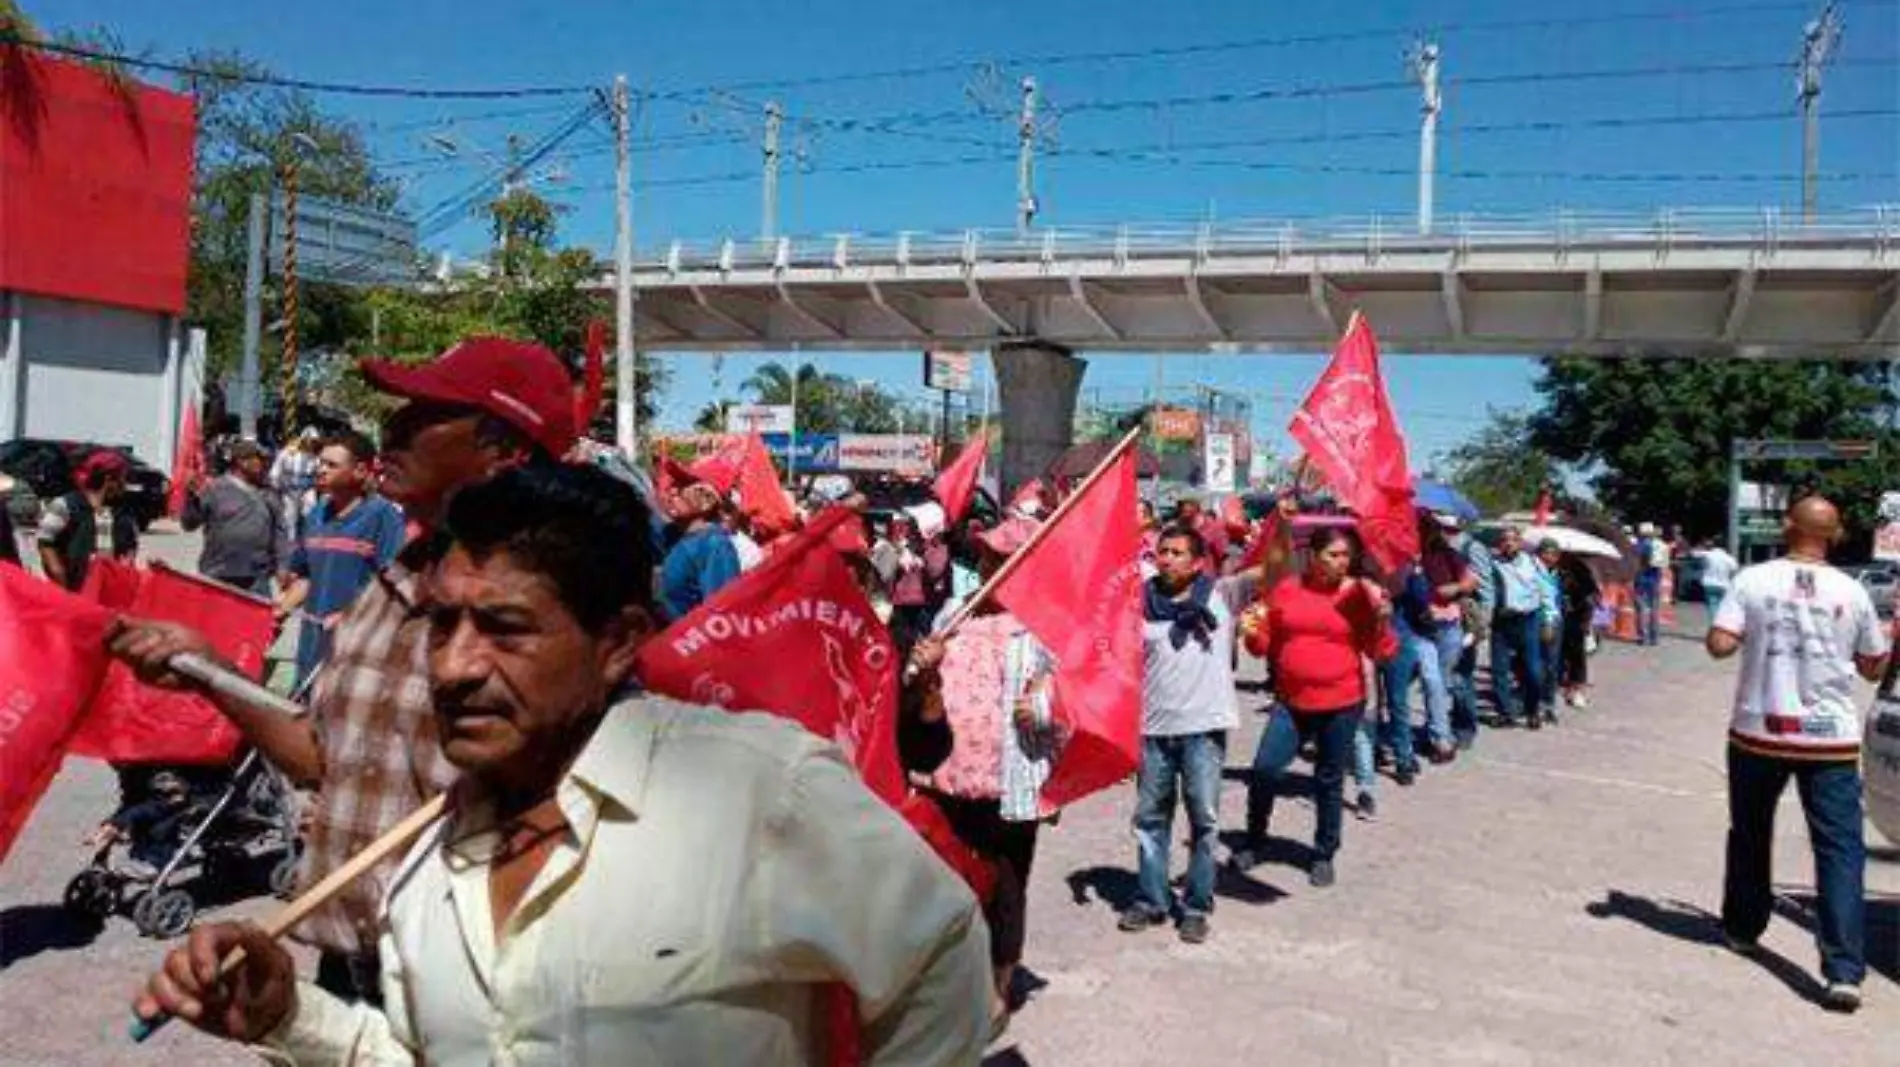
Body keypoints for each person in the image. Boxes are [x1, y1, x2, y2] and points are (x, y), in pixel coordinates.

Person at [132, 464, 993, 1065]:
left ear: (618, 642)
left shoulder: (759, 791)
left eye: (506, 629)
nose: (454, 666)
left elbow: (939, 952)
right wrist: (289, 1015)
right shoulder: (423, 863)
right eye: (441, 624)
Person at [110, 336, 577, 1008]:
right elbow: (318, 759)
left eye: (426, 411)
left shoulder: (552, 615)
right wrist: (208, 670)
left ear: (504, 450)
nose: (392, 425)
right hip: (348, 969)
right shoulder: (387, 587)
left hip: (467, 985)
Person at [1704, 495, 1888, 1013]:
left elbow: (1720, 643)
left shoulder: (1751, 581)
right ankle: (1844, 971)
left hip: (1758, 731)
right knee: (1840, 850)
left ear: (1788, 527)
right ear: (1835, 533)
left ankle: (1743, 928)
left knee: (1750, 831)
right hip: (1829, 740)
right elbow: (1873, 668)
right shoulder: (1852, 593)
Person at [907, 515, 1065, 1009]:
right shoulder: (956, 614)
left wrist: (1047, 697)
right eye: (984, 557)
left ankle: (999, 984)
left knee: (1007, 884)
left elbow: (1076, 697)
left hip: (1011, 782)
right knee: (946, 876)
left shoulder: (1046, 626)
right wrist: (922, 662)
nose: (986, 566)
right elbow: (918, 682)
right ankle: (951, 976)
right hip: (948, 775)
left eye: (999, 559)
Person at [1233, 526, 1397, 887]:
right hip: (1291, 702)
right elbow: (1263, 648)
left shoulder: (1360, 594)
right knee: (1264, 770)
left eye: (1346, 556)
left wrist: (1382, 619)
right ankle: (1254, 839)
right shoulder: (1287, 589)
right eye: (1333, 555)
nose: (1342, 563)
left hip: (1341, 701)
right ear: (1313, 556)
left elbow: (1382, 651)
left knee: (1328, 778)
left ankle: (1324, 852)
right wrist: (1251, 631)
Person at [1119, 524, 1237, 944]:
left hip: (1203, 729)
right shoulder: (1139, 603)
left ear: (1199, 561)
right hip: (1154, 728)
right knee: (1150, 819)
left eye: (1177, 552)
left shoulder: (1221, 596)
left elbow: (1271, 569)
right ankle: (1151, 899)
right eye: (1162, 551)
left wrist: (1280, 520)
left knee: (1204, 820)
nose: (1166, 558)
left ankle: (1196, 905)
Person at [274, 431, 408, 686]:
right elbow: (307, 576)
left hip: (357, 651)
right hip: (311, 646)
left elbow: (396, 587)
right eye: (320, 462)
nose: (320, 470)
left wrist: (350, 616)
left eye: (331, 465)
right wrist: (281, 608)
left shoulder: (383, 517)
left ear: (359, 470)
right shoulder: (316, 514)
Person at [184, 438, 289, 595]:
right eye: (258, 458)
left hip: (256, 578)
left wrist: (283, 565)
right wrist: (191, 498)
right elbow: (189, 524)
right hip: (218, 574)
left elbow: (280, 532)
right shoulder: (214, 489)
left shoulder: (270, 493)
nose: (264, 463)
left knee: (255, 619)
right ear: (242, 461)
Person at [37, 448, 132, 591]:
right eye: (122, 478)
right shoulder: (65, 505)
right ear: (109, 479)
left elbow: (128, 550)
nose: (124, 485)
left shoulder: (122, 514)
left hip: (107, 592)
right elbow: (45, 541)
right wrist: (58, 573)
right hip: (72, 589)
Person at [1489, 526, 1553, 729]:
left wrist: (1549, 620)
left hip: (1528, 619)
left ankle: (1532, 710)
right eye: (1504, 540)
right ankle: (1505, 713)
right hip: (1502, 621)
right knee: (1500, 670)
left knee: (1532, 669)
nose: (1508, 543)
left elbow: (1546, 592)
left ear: (1520, 543)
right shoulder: (1493, 564)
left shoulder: (1533, 563)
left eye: (1513, 540)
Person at [1442, 514, 1493, 748]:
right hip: (1440, 619)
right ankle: (1444, 725)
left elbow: (1486, 590)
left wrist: (1481, 625)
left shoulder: (1472, 547)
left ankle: (1464, 727)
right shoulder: (1434, 547)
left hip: (1466, 621)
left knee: (1460, 677)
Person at [84, 769, 197, 872]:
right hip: (154, 792)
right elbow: (132, 800)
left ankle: (156, 860)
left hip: (179, 801)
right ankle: (139, 854)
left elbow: (159, 806)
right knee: (136, 816)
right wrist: (114, 823)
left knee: (160, 823)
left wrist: (118, 823)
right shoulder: (135, 772)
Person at [658, 479, 741, 620]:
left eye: (681, 489)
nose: (672, 493)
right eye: (672, 487)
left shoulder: (714, 545)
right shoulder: (671, 535)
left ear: (707, 501)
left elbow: (720, 611)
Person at [1554, 550, 1602, 709]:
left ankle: (1576, 690)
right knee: (1557, 654)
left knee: (1576, 656)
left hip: (1576, 617)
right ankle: (1556, 686)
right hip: (1556, 617)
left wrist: (1588, 620)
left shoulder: (1581, 569)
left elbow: (1592, 596)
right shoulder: (1552, 567)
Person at [1534, 539, 1567, 724]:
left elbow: (1559, 598)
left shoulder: (1558, 574)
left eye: (1555, 554)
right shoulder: (1533, 572)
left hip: (1555, 621)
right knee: (1536, 664)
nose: (1551, 557)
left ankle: (1549, 703)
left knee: (1552, 665)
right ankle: (1535, 702)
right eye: (1547, 552)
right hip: (1537, 620)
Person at [271, 428, 322, 541]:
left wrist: (316, 483)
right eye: (309, 441)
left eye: (314, 442)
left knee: (311, 512)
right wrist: (278, 487)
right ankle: (290, 541)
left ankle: (309, 538)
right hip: (289, 489)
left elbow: (319, 473)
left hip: (307, 489)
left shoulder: (315, 456)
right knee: (290, 517)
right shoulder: (288, 452)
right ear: (303, 440)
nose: (311, 444)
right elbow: (275, 471)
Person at [1173, 497, 1229, 577]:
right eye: (1181, 505)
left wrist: (1223, 580)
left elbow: (1223, 556)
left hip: (1206, 578)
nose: (1184, 508)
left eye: (1189, 504)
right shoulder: (1175, 528)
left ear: (1197, 506)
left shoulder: (1213, 527)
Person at [1633, 521, 1669, 646]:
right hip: (1655, 579)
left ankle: (1642, 637)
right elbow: (1664, 564)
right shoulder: (1659, 545)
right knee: (1654, 609)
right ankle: (1654, 638)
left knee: (1641, 610)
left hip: (1640, 580)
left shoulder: (1638, 546)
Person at [1695, 537, 1739, 610]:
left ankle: (1714, 619)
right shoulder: (1728, 558)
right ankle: (1722, 619)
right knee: (1724, 606)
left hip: (1709, 583)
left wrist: (1701, 547)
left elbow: (1694, 554)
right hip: (1723, 584)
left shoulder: (1708, 555)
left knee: (1712, 605)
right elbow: (1734, 569)